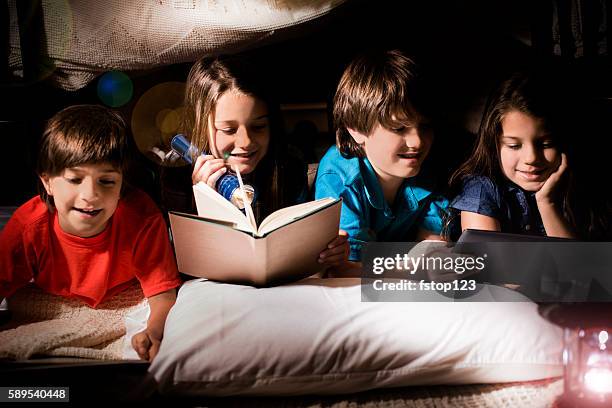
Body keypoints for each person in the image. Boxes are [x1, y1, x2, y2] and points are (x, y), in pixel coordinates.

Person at [0, 105, 182, 361]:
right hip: (51, 300)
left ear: (121, 184)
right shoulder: (28, 226)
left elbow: (162, 295)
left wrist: (153, 332)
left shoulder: (143, 219)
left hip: (125, 298)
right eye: (75, 180)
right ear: (47, 182)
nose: (91, 196)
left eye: (106, 181)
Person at [173, 56, 349, 267]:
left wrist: (330, 251)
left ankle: (305, 135)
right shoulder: (178, 177)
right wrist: (201, 201)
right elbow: (183, 266)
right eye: (229, 130)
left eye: (258, 127)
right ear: (202, 125)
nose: (246, 142)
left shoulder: (288, 167)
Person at [314, 50, 448, 269]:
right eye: (399, 128)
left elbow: (432, 247)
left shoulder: (428, 167)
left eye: (425, 126)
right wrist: (411, 267)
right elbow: (347, 269)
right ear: (356, 129)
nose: (417, 141)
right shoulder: (339, 177)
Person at [448, 69, 598, 239]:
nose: (532, 158)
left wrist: (546, 203)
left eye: (546, 144)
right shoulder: (481, 189)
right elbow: (487, 261)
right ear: (494, 145)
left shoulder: (580, 186)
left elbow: (577, 264)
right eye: (514, 145)